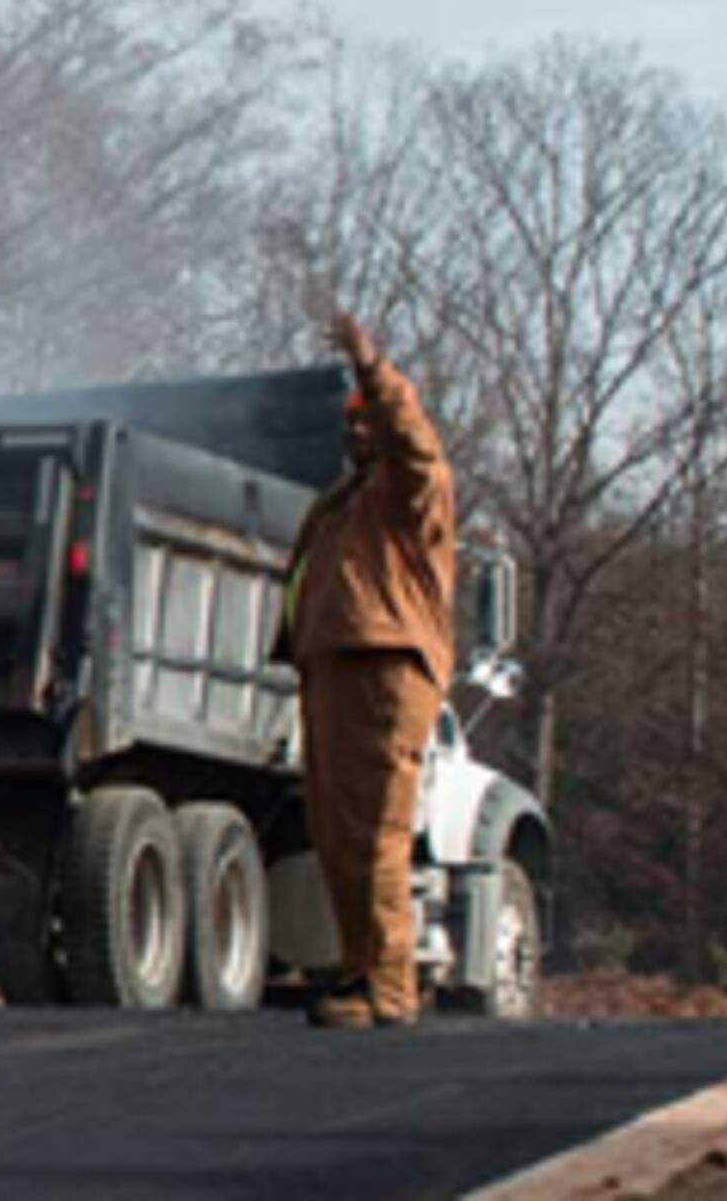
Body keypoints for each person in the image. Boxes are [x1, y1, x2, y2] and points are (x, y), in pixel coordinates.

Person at [278, 309, 458, 1031]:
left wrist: (370, 367)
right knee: (336, 831)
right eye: (349, 423)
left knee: (378, 832)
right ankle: (360, 971)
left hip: (386, 668)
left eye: (367, 421)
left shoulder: (414, 491)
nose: (356, 432)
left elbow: (414, 445)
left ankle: (389, 989)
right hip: (332, 668)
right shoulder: (341, 505)